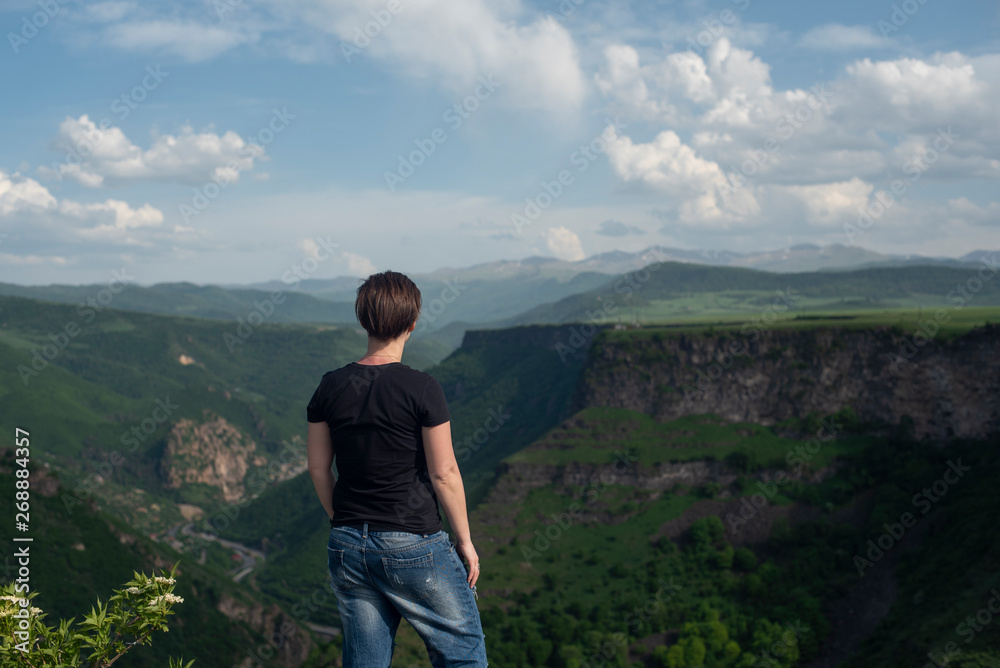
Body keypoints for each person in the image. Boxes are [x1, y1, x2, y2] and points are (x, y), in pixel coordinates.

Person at [306, 270, 488, 667]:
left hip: (348, 544)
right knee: (463, 656)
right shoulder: (422, 388)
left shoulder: (330, 386)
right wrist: (466, 542)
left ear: (362, 320)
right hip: (412, 542)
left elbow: (319, 469)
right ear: (413, 323)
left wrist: (343, 520)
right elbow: (444, 474)